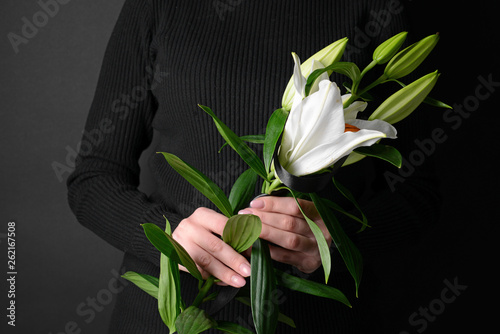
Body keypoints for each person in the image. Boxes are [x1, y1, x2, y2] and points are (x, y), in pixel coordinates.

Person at [67, 0, 441, 332]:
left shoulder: (374, 7)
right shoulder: (157, 5)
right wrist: (171, 238)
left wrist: (337, 239)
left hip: (318, 318)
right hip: (165, 316)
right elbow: (93, 178)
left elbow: (418, 194)